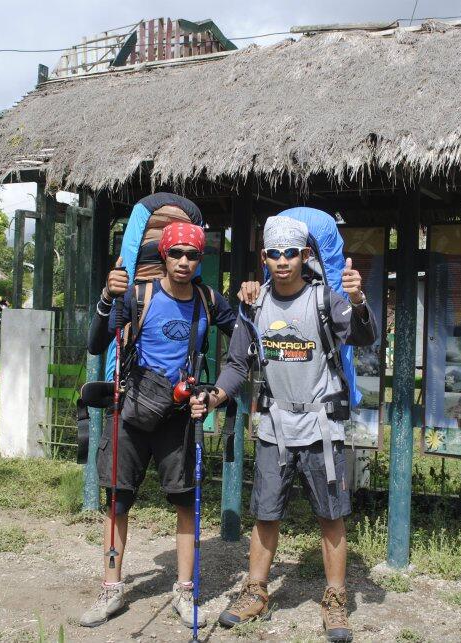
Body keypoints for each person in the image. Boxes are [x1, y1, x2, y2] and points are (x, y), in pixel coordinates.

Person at [190, 215, 376, 643]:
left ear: (305, 256)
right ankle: (255, 591)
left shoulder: (326, 300)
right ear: (264, 257)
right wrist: (215, 397)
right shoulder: (254, 305)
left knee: (331, 516)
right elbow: (237, 363)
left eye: (291, 253)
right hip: (274, 426)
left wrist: (360, 299)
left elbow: (364, 337)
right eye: (274, 253)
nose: (283, 261)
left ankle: (335, 598)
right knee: (266, 512)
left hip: (320, 428)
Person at [80, 221, 236, 629]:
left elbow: (243, 343)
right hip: (130, 411)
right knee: (117, 501)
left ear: (201, 260)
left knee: (186, 503)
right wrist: (105, 297)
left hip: (179, 416)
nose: (184, 262)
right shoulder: (137, 295)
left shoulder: (208, 300)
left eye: (192, 255)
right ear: (163, 256)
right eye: (176, 253)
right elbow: (96, 342)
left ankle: (185, 591)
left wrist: (215, 392)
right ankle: (112, 589)